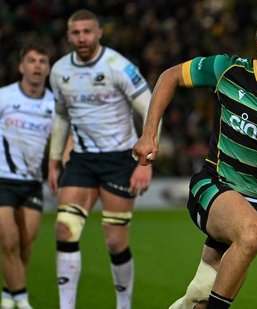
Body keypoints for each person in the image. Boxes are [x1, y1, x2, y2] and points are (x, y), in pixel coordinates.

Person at [133, 9, 257, 309]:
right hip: (213, 186)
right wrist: (150, 134)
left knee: (198, 299)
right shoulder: (228, 70)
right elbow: (169, 76)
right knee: (252, 234)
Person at [47, 9, 153, 309]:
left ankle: (123, 304)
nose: (82, 38)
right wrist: (54, 159)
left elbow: (151, 110)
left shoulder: (119, 67)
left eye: (87, 32)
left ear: (98, 33)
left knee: (114, 241)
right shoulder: (59, 71)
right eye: (76, 33)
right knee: (64, 229)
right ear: (68, 36)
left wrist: (145, 162)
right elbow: (61, 116)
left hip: (120, 159)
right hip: (82, 160)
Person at [0, 43, 53, 309]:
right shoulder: (4, 97)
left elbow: (62, 139)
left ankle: (8, 294)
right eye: (32, 61)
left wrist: (58, 166)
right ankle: (21, 298)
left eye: (42, 61)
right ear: (22, 67)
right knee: (7, 240)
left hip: (32, 182)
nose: (37, 66)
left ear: (48, 68)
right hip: (3, 179)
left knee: (25, 244)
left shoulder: (53, 104)